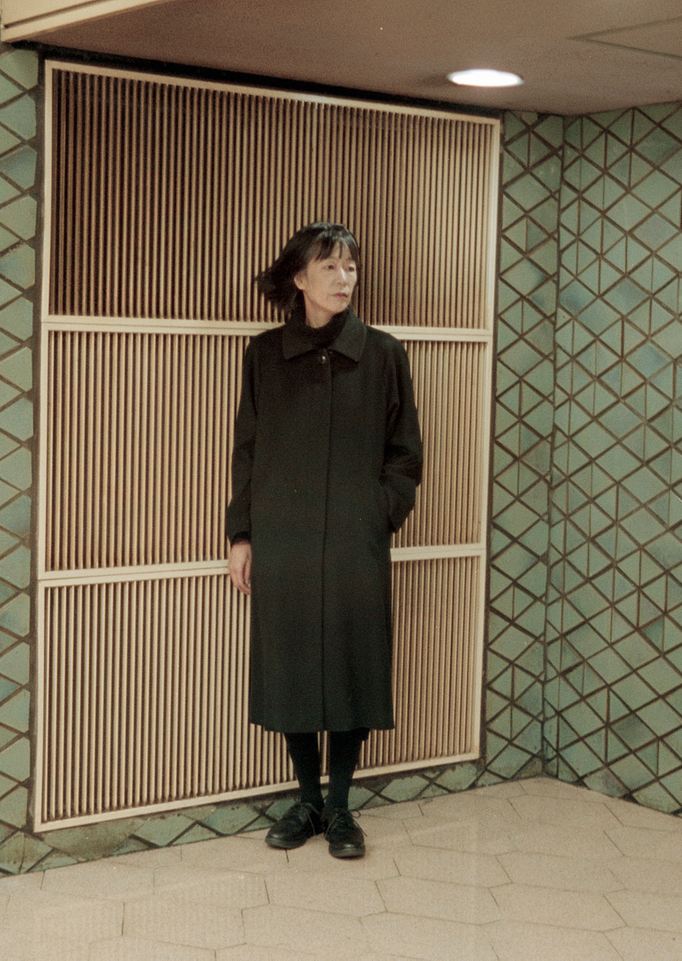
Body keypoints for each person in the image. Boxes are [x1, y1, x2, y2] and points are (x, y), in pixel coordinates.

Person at [224, 222, 423, 858]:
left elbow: (406, 452)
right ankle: (305, 800)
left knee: (350, 662)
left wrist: (378, 513)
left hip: (353, 540)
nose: (344, 280)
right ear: (300, 279)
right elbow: (247, 451)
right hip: (282, 536)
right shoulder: (264, 354)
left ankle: (340, 807)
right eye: (331, 268)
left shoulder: (384, 354)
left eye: (351, 269)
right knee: (290, 664)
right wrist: (242, 534)